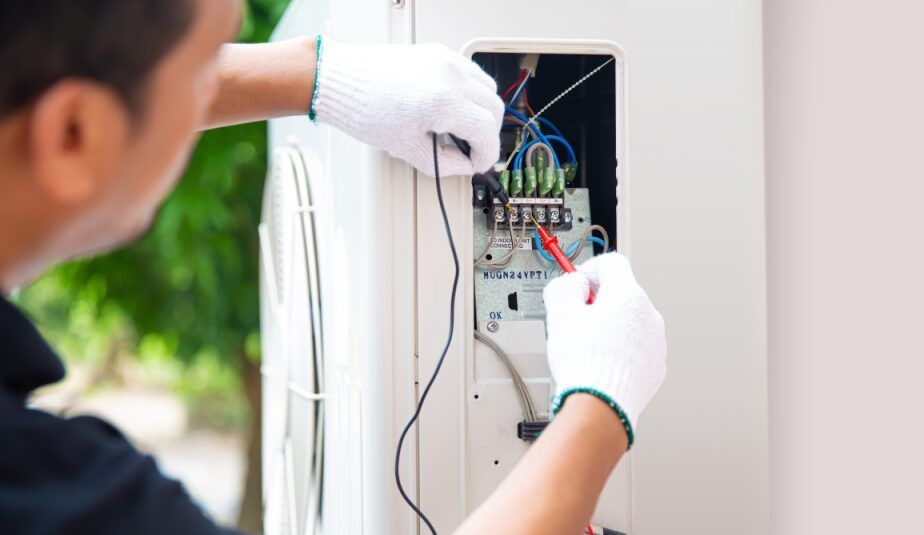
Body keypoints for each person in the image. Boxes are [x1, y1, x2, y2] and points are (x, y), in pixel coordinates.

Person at [0, 1, 667, 534]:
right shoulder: (53, 494)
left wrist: (315, 76)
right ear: (73, 135)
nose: (211, 81)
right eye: (202, 66)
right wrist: (597, 411)